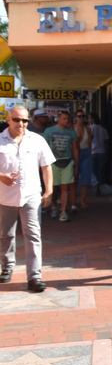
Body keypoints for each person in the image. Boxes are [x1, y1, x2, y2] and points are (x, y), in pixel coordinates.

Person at [0, 106, 55, 292]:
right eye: (17, 120)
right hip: (5, 197)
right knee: (5, 234)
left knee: (33, 235)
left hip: (31, 195)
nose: (21, 124)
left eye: (24, 120)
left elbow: (46, 166)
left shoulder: (37, 140)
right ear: (8, 120)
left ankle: (34, 277)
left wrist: (49, 190)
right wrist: (1, 176)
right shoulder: (0, 140)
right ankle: (7, 267)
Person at [43, 111, 79, 221]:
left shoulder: (72, 132)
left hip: (67, 161)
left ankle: (63, 211)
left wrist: (76, 163)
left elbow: (75, 148)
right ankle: (54, 206)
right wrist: (44, 163)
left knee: (65, 187)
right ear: (58, 118)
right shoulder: (49, 131)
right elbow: (44, 147)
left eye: (67, 119)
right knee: (53, 187)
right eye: (64, 118)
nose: (66, 121)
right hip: (53, 162)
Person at [74, 110, 94, 209]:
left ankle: (82, 200)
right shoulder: (72, 129)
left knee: (85, 178)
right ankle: (73, 200)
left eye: (83, 116)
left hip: (85, 152)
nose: (81, 118)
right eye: (79, 116)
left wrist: (90, 152)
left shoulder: (88, 129)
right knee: (73, 177)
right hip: (74, 153)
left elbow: (90, 142)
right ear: (75, 118)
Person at [88, 112, 109, 194]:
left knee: (92, 170)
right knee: (99, 170)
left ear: (92, 119)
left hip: (93, 151)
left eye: (89, 118)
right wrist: (106, 152)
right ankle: (98, 183)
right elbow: (106, 141)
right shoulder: (103, 129)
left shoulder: (90, 129)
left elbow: (89, 139)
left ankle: (95, 182)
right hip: (101, 151)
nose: (88, 120)